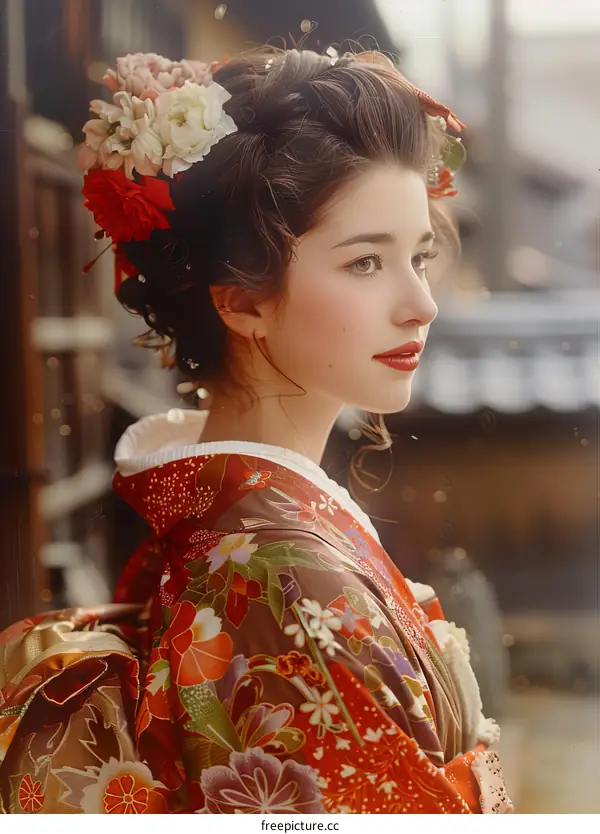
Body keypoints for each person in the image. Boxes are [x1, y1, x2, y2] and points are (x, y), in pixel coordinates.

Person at [0, 48, 512, 814]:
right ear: (241, 303)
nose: (421, 304)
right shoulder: (287, 584)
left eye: (420, 256)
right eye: (366, 263)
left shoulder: (228, 535)